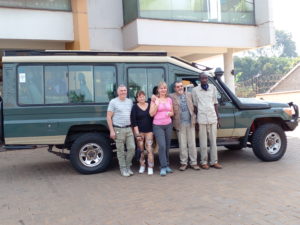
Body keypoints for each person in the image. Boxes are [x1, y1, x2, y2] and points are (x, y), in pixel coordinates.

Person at [192, 72, 222, 170]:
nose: (204, 80)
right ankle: (203, 162)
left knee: (213, 142)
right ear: (199, 80)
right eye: (202, 78)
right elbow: (195, 106)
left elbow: (215, 103)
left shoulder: (213, 88)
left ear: (207, 79)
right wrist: (196, 120)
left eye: (205, 78)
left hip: (212, 118)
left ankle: (214, 162)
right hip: (201, 119)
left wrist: (218, 118)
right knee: (203, 142)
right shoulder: (195, 90)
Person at [170, 81, 200, 171]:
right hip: (180, 124)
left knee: (192, 144)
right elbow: (160, 96)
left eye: (181, 86)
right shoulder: (171, 96)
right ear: (175, 88)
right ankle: (184, 163)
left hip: (190, 123)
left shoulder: (189, 94)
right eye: (177, 87)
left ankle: (194, 163)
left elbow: (196, 106)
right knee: (182, 145)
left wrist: (196, 119)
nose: (180, 88)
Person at [107, 85, 135, 177]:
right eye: (121, 90)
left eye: (125, 90)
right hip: (118, 129)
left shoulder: (130, 102)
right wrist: (112, 131)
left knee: (132, 148)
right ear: (118, 92)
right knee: (120, 151)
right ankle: (123, 169)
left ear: (127, 91)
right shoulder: (113, 102)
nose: (123, 92)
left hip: (128, 128)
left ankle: (128, 166)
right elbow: (108, 117)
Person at [150, 81, 174, 176]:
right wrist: (156, 103)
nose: (163, 90)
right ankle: (163, 167)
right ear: (158, 90)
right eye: (161, 88)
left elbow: (172, 112)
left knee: (167, 146)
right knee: (162, 146)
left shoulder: (169, 99)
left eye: (165, 88)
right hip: (158, 125)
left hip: (168, 124)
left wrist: (170, 113)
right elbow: (151, 114)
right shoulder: (154, 99)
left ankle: (167, 165)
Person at [130, 90, 154, 175]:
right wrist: (137, 134)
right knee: (141, 150)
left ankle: (150, 167)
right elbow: (134, 122)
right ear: (137, 98)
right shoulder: (134, 107)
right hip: (140, 132)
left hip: (149, 132)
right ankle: (142, 165)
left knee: (149, 149)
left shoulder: (150, 104)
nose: (142, 98)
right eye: (140, 97)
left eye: (143, 96)